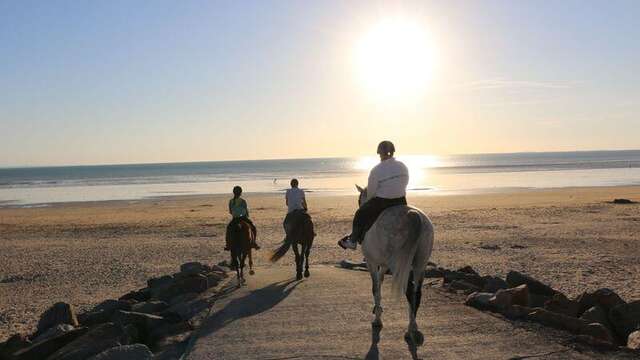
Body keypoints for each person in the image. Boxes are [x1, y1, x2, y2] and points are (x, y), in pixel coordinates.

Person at [338, 141, 409, 250]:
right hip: (401, 201)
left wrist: (373, 198)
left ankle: (352, 241)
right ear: (392, 152)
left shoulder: (377, 170)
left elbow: (370, 193)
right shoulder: (403, 166)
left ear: (380, 153)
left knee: (360, 213)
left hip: (383, 202)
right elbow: (405, 182)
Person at [225, 186, 260, 251]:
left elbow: (230, 211)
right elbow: (246, 210)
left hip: (234, 219)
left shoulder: (231, 201)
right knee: (253, 227)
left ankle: (228, 245)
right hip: (243, 218)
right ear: (241, 193)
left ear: (233, 193)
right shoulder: (243, 201)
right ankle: (254, 242)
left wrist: (235, 213)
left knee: (228, 229)